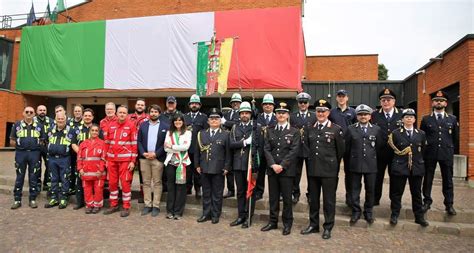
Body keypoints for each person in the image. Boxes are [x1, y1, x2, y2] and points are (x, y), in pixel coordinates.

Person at [301, 99, 344, 240]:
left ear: (328, 112)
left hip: (329, 171)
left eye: (323, 111)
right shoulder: (309, 128)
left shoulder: (336, 129)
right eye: (318, 111)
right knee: (313, 200)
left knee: (329, 201)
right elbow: (306, 148)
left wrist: (333, 165)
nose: (320, 113)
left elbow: (340, 151)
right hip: (313, 170)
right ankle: (313, 225)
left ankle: (328, 226)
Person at [261, 102, 300, 236]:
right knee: (273, 198)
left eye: (283, 113)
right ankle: (272, 222)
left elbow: (294, 151)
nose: (281, 115)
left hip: (287, 171)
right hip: (273, 170)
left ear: (288, 115)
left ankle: (287, 224)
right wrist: (273, 165)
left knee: (287, 200)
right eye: (278, 113)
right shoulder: (270, 129)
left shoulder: (294, 131)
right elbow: (266, 149)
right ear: (275, 115)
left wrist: (282, 165)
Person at [388, 108, 429, 227]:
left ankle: (419, 217)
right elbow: (391, 151)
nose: (409, 119)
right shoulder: (395, 133)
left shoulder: (421, 134)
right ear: (402, 119)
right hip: (400, 166)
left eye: (411, 117)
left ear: (415, 119)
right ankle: (394, 215)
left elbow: (424, 151)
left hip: (416, 167)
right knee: (397, 193)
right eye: (406, 117)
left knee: (416, 193)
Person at [421, 90, 459, 216]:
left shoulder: (453, 119)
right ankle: (426, 202)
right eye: (436, 100)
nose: (439, 102)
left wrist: (452, 150)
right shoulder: (426, 119)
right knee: (428, 179)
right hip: (430, 153)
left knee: (448, 180)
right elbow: (422, 137)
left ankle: (449, 204)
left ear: (446, 103)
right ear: (432, 103)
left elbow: (455, 137)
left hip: (446, 153)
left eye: (441, 100)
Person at [344, 104, 383, 225]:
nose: (363, 117)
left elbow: (379, 147)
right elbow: (346, 148)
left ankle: (368, 212)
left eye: (365, 114)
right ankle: (356, 211)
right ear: (357, 116)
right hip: (355, 163)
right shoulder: (351, 129)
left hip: (371, 165)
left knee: (370, 189)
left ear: (370, 116)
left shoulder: (376, 129)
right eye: (360, 114)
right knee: (355, 190)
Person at [229, 101, 262, 228]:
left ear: (250, 114)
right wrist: (244, 142)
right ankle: (240, 216)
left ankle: (249, 216)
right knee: (241, 192)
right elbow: (231, 144)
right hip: (238, 164)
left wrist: (256, 164)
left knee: (250, 192)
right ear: (239, 114)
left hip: (251, 165)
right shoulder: (234, 128)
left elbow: (260, 147)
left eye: (247, 113)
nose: (244, 115)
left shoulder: (256, 127)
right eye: (242, 113)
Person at [195, 108, 231, 224]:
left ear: (220, 121)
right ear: (208, 121)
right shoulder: (201, 134)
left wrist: (226, 167)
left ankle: (215, 214)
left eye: (217, 118)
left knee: (217, 193)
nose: (214, 120)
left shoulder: (226, 134)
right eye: (212, 118)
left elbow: (228, 153)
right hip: (204, 167)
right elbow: (197, 151)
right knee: (206, 192)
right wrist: (197, 165)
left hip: (218, 168)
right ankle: (206, 214)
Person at [103, 105, 138, 217]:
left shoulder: (131, 125)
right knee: (112, 183)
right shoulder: (111, 125)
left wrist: (133, 161)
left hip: (125, 160)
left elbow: (134, 144)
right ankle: (113, 205)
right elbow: (107, 143)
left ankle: (126, 206)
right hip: (112, 160)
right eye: (120, 112)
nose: (122, 114)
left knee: (125, 183)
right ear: (116, 113)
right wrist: (106, 159)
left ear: (127, 114)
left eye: (124, 113)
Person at [371, 88, 403, 205]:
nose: (386, 102)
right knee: (377, 178)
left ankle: (394, 202)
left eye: (389, 100)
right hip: (379, 153)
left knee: (395, 179)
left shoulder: (402, 114)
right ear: (380, 102)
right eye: (383, 100)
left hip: (396, 154)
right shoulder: (374, 115)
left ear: (394, 101)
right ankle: (375, 200)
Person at [10, 106, 46, 209]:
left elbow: (43, 140)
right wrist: (21, 146)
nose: (29, 113)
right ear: (23, 113)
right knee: (19, 177)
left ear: (34, 114)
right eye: (27, 112)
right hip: (21, 154)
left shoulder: (39, 126)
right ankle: (17, 200)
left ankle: (32, 199)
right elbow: (12, 141)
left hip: (34, 154)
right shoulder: (17, 125)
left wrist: (36, 147)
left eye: (31, 112)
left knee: (33, 177)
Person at [137, 104, 168, 217]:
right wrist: (143, 153)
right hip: (144, 158)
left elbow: (166, 143)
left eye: (156, 112)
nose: (153, 113)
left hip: (157, 159)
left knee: (157, 182)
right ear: (149, 113)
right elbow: (139, 141)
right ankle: (147, 205)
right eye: (151, 111)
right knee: (145, 182)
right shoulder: (143, 125)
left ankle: (156, 206)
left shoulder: (166, 126)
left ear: (159, 113)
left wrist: (156, 154)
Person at [329, 89, 357, 207]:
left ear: (347, 98)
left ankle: (349, 198)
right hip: (335, 146)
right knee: (333, 172)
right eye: (339, 96)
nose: (341, 98)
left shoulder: (353, 112)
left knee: (349, 173)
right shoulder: (332, 112)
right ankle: (331, 197)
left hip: (349, 146)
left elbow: (357, 127)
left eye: (343, 96)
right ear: (336, 98)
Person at [44, 112, 76, 209]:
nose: (60, 120)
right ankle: (54, 198)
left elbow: (73, 144)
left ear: (65, 120)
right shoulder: (50, 130)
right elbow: (46, 142)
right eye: (59, 119)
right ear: (55, 119)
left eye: (62, 119)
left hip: (64, 158)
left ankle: (63, 199)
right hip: (52, 158)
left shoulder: (71, 130)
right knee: (53, 178)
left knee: (65, 178)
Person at [164, 113, 192, 220]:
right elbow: (166, 148)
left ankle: (178, 212)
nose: (178, 122)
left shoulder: (188, 133)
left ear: (183, 122)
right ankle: (170, 211)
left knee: (181, 188)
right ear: (173, 122)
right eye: (176, 120)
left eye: (180, 120)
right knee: (171, 187)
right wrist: (177, 147)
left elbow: (186, 147)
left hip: (183, 163)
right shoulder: (169, 133)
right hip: (171, 163)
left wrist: (172, 146)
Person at [290, 92, 316, 204]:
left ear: (308, 103)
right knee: (296, 173)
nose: (303, 104)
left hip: (310, 148)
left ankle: (310, 194)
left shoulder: (314, 116)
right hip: (297, 149)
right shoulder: (292, 116)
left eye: (305, 102)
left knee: (311, 173)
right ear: (298, 103)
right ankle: (295, 193)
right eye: (301, 102)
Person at [71, 108, 98, 210]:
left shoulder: (96, 129)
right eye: (85, 115)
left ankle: (93, 203)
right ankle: (80, 202)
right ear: (82, 116)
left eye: (89, 116)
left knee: (92, 182)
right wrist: (81, 154)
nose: (87, 117)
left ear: (92, 117)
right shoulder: (76, 128)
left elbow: (101, 143)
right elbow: (73, 143)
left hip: (94, 161)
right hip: (81, 159)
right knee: (79, 180)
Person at [76, 124, 107, 214]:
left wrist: (101, 170)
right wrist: (80, 169)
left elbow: (104, 158)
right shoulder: (83, 143)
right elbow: (79, 158)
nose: (94, 132)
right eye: (92, 130)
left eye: (96, 130)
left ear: (98, 132)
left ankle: (97, 205)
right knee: (87, 189)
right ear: (89, 132)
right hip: (86, 172)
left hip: (98, 172)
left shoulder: (102, 143)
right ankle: (89, 205)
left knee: (98, 190)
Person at [184, 94, 208, 198]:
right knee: (187, 170)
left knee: (198, 170)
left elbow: (206, 132)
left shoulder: (204, 117)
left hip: (198, 148)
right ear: (189, 105)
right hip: (186, 148)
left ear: (199, 105)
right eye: (192, 103)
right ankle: (188, 188)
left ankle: (198, 189)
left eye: (196, 103)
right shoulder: (184, 117)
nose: (194, 105)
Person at [254, 93, 277, 200]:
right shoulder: (257, 117)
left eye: (270, 104)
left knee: (274, 173)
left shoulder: (278, 117)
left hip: (274, 150)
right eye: (265, 104)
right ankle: (259, 191)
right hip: (261, 149)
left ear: (273, 106)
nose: (268, 106)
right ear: (262, 106)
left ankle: (276, 192)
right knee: (261, 172)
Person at [128, 98, 149, 203]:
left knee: (143, 173)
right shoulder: (128, 117)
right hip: (130, 148)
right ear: (135, 106)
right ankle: (128, 192)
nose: (140, 106)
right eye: (138, 104)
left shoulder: (148, 118)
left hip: (142, 148)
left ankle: (143, 194)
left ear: (144, 107)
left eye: (142, 105)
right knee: (129, 171)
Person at [221, 93, 242, 199]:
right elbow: (222, 124)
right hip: (226, 142)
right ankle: (230, 190)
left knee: (237, 168)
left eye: (237, 102)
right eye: (233, 102)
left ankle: (239, 190)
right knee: (228, 167)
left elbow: (237, 124)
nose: (235, 104)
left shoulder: (242, 113)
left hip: (237, 142)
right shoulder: (226, 113)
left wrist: (227, 122)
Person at [34, 105, 53, 192]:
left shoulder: (51, 121)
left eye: (44, 110)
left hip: (47, 146)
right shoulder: (33, 120)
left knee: (49, 165)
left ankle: (46, 183)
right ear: (37, 111)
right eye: (40, 110)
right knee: (36, 166)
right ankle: (37, 183)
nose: (42, 111)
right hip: (36, 146)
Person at [68, 105, 85, 201]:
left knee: (79, 170)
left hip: (81, 153)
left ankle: (79, 189)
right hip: (70, 151)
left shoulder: (85, 123)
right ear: (73, 112)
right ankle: (71, 187)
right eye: (76, 111)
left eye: (79, 111)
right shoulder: (68, 123)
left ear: (82, 112)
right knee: (71, 170)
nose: (77, 112)